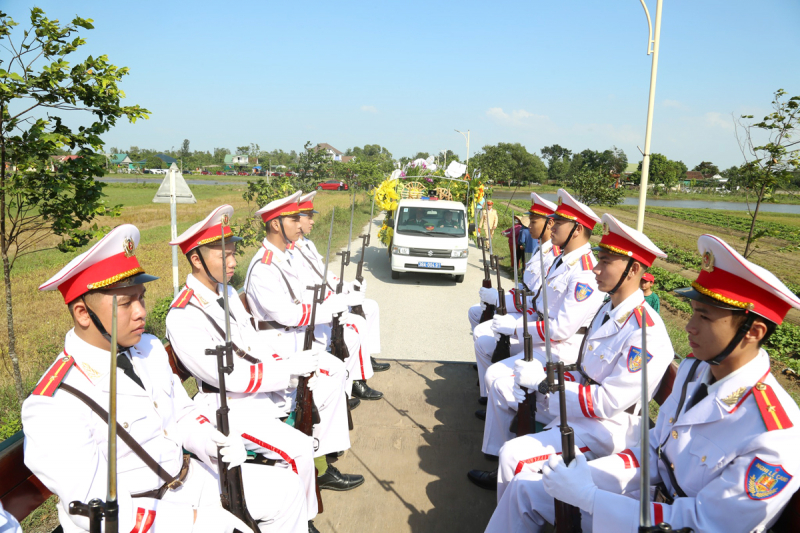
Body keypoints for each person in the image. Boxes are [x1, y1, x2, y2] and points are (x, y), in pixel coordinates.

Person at [486, 234, 800, 533]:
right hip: (649, 500)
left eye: (704, 317)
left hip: (674, 522)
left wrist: (593, 497)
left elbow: (706, 523)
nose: (689, 327)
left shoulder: (774, 433)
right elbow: (654, 450)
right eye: (692, 313)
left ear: (754, 331)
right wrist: (594, 477)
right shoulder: (694, 371)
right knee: (526, 491)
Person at [23, 224, 308, 533]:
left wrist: (211, 442)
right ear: (82, 313)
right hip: (142, 515)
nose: (140, 312)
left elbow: (182, 414)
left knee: (286, 489)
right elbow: (94, 507)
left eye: (141, 298)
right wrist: (195, 522)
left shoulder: (148, 348)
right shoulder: (54, 402)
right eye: (126, 303)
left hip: (189, 481)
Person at [165, 206, 365, 533]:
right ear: (197, 260)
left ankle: (303, 513)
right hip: (226, 407)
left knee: (326, 381)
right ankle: (303, 521)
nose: (232, 262)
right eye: (223, 256)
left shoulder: (226, 293)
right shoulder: (184, 314)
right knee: (298, 449)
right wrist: (284, 372)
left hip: (257, 394)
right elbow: (227, 377)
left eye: (233, 254)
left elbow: (252, 344)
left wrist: (285, 365)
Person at [493, 213, 673, 501]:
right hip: (582, 412)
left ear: (633, 269)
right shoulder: (607, 310)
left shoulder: (645, 333)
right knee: (508, 388)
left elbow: (608, 402)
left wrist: (548, 383)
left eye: (605, 262)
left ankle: (516, 497)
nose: (596, 270)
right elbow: (584, 371)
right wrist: (544, 381)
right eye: (599, 260)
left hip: (608, 428)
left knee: (513, 456)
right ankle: (517, 496)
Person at [468, 189, 606, 491]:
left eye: (559, 222)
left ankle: (503, 461)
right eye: (552, 220)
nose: (552, 226)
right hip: (545, 342)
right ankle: (499, 454)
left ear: (578, 229)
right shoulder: (562, 261)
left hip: (560, 353)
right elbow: (537, 303)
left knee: (498, 377)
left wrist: (516, 330)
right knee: (495, 372)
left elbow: (560, 329)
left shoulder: (583, 274)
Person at [242, 193, 367, 489]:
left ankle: (324, 451)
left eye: (300, 218)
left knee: (335, 371)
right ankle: (318, 463)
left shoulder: (285, 256)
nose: (300, 224)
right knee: (327, 376)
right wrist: (327, 309)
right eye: (293, 219)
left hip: (296, 338)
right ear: (274, 224)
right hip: (280, 344)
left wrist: (338, 297)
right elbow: (284, 313)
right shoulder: (264, 266)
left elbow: (308, 291)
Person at [292, 191, 388, 401]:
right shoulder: (290, 251)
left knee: (370, 306)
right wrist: (337, 298)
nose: (312, 221)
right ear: (296, 219)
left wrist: (345, 286)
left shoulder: (306, 244)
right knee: (357, 325)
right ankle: (358, 381)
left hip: (327, 299)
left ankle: (365, 359)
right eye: (308, 216)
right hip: (318, 307)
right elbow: (305, 289)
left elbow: (324, 273)